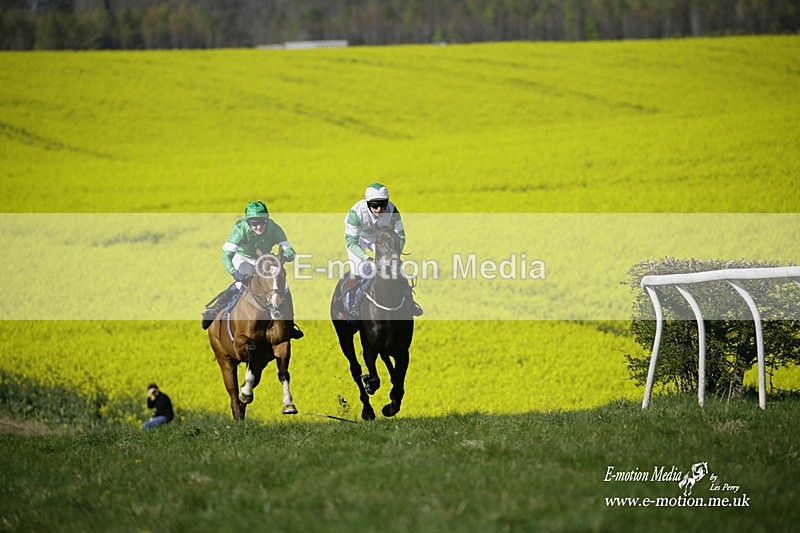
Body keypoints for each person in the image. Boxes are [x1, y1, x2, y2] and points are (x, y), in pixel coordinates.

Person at [202, 201, 304, 338]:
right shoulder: (240, 229)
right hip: (242, 258)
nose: (258, 226)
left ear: (267, 221)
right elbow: (226, 257)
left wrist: (282, 259)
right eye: (254, 223)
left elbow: (291, 252)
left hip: (262, 260)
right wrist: (235, 273)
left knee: (283, 287)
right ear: (248, 223)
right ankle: (214, 310)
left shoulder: (274, 228)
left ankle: (290, 325)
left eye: (262, 222)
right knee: (240, 284)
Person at [343, 182, 422, 316]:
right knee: (357, 269)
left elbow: (400, 237)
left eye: (383, 204)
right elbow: (351, 243)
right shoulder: (355, 213)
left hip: (379, 238)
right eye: (375, 205)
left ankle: (410, 301)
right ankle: (352, 305)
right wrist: (367, 259)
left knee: (396, 267)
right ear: (367, 203)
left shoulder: (392, 210)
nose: (379, 208)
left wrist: (395, 255)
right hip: (358, 239)